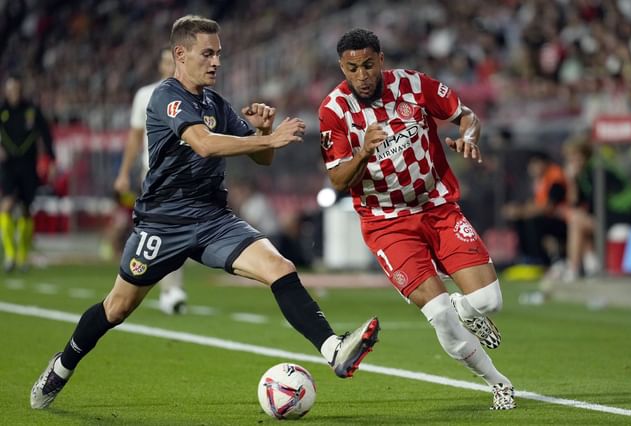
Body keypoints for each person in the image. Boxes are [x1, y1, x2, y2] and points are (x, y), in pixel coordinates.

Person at [30, 15, 379, 410]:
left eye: (219, 54)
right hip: (163, 223)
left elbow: (262, 158)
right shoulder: (166, 96)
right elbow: (205, 144)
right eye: (207, 54)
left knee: (280, 267)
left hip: (213, 219)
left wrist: (264, 133)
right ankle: (62, 366)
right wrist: (272, 139)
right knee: (117, 307)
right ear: (180, 54)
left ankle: (333, 349)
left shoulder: (215, 102)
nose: (216, 62)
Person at [318, 28, 515, 410]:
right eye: (353, 68)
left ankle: (465, 308)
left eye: (368, 65)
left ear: (381, 60)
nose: (362, 75)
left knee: (488, 301)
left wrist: (468, 138)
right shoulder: (334, 110)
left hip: (437, 206)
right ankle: (499, 383)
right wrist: (363, 152)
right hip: (386, 224)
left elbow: (467, 117)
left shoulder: (414, 85)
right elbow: (338, 180)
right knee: (440, 315)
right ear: (342, 68)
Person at [113, 47, 188, 315]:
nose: (170, 66)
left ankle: (169, 289)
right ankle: (166, 289)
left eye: (174, 61)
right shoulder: (145, 95)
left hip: (185, 174)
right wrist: (123, 173)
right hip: (154, 173)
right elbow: (135, 138)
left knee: (177, 228)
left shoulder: (193, 96)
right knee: (161, 229)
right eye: (166, 61)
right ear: (160, 65)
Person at [560, 138, 631, 282]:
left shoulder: (597, 170)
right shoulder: (584, 174)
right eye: (570, 158)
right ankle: (590, 265)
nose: (573, 161)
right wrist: (571, 180)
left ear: (584, 155)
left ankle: (574, 268)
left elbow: (595, 204)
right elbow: (576, 203)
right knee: (577, 219)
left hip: (624, 213)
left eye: (575, 157)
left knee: (577, 221)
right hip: (610, 214)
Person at [0, 75, 55, 272]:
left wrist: (51, 159)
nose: (14, 93)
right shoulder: (2, 110)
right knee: (6, 205)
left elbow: (46, 134)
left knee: (25, 209)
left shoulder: (31, 110)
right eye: (11, 89)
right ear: (6, 91)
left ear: (21, 90)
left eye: (17, 89)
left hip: (28, 165)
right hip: (8, 166)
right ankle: (10, 254)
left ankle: (23, 255)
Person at [501, 152, 568, 267]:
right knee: (520, 220)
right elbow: (534, 203)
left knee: (532, 221)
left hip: (562, 220)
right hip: (549, 218)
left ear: (543, 163)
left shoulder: (555, 177)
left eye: (533, 164)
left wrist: (521, 211)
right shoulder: (539, 181)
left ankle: (539, 259)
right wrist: (517, 210)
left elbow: (549, 206)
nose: (531, 168)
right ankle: (526, 257)